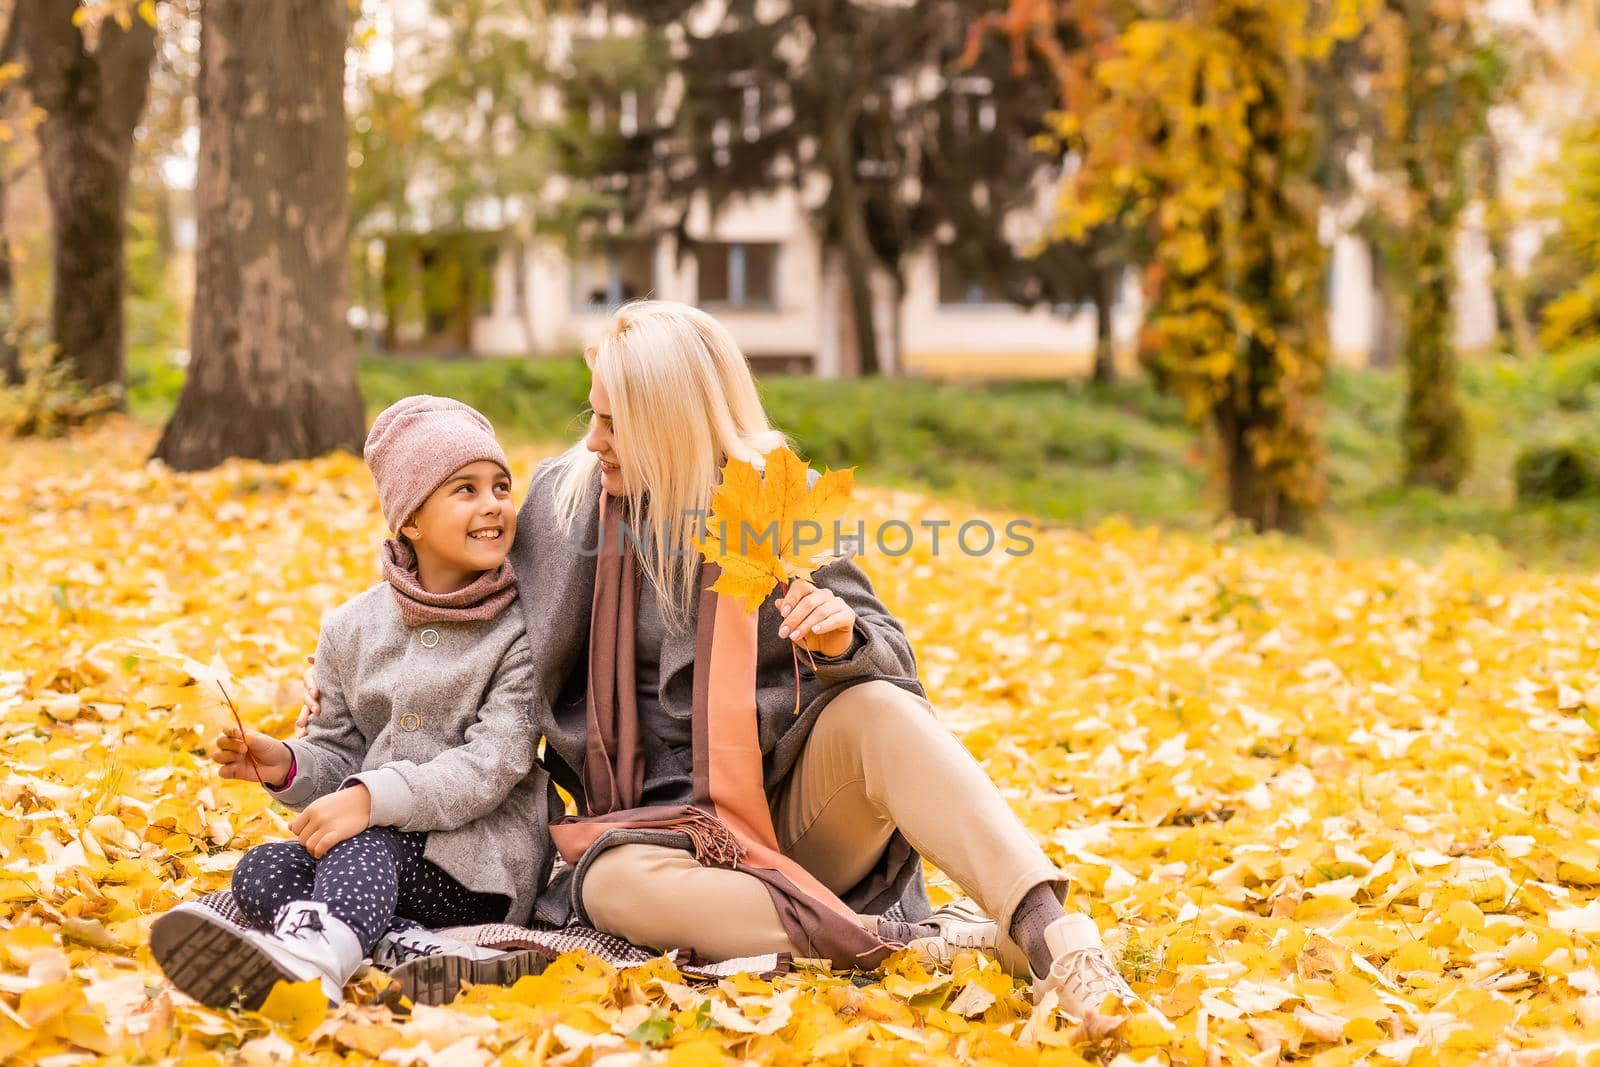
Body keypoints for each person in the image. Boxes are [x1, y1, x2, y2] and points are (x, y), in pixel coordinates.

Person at [306, 302, 1145, 1035]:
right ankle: (904, 941)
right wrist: (359, 658)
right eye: (591, 415)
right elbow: (461, 593)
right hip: (648, 836)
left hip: (789, 817)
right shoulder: (563, 508)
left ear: (674, 423)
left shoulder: (773, 504)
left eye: (613, 423)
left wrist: (842, 641)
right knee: (610, 891)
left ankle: (1052, 934)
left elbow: (895, 658)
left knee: (881, 709)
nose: (591, 439)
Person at [150, 396, 551, 1008]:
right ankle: (401, 944)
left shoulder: (519, 630)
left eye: (500, 485)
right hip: (374, 849)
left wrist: (371, 798)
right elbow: (339, 752)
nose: (493, 503)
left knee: (361, 845)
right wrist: (287, 764)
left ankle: (313, 966)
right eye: (464, 490)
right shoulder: (352, 626)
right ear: (410, 520)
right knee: (261, 871)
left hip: (479, 861)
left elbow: (492, 765)